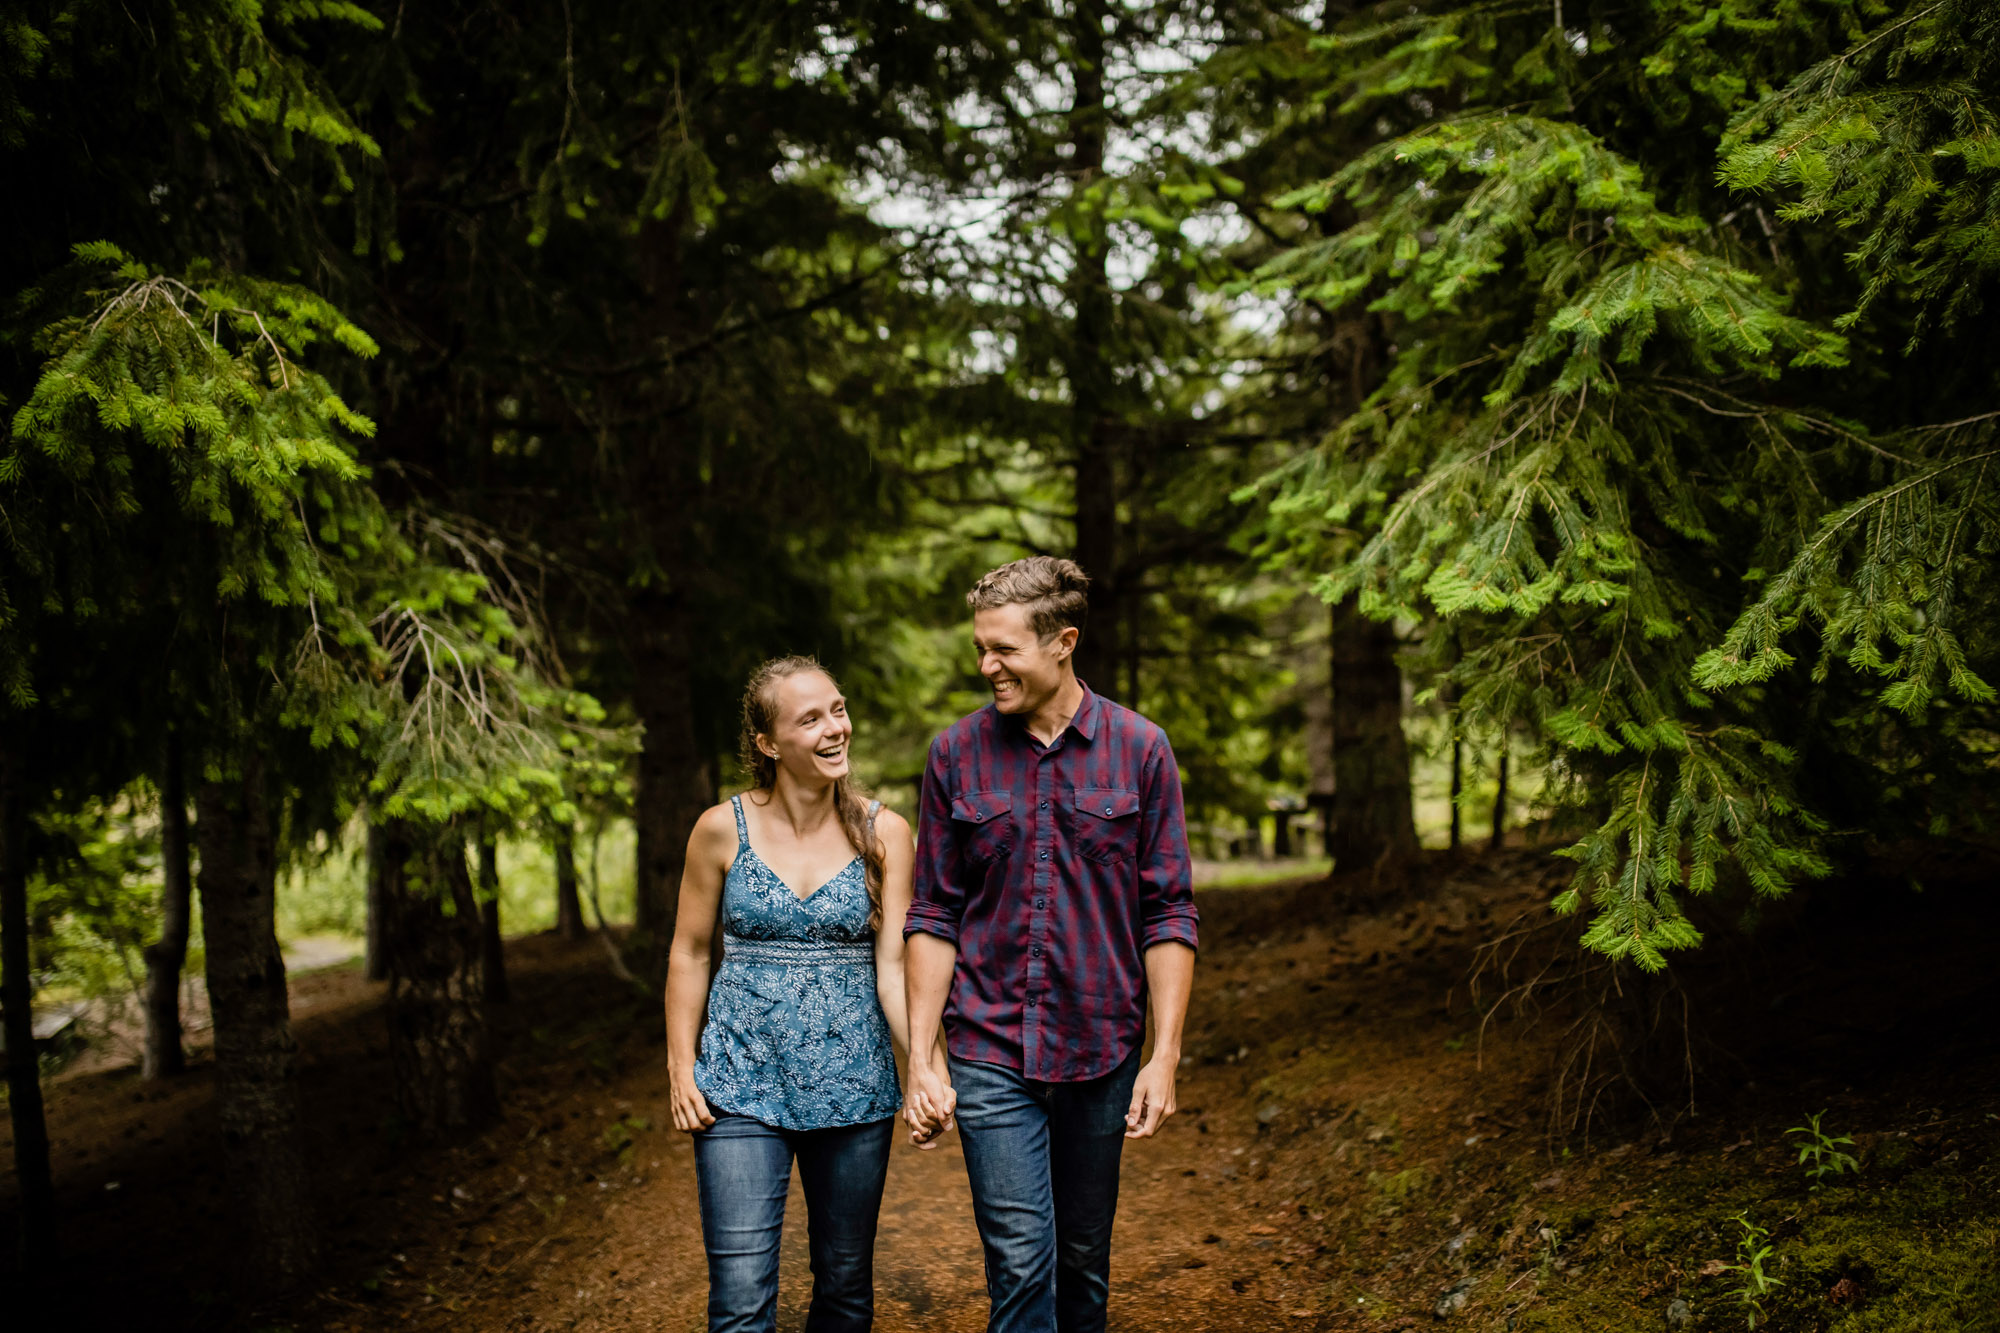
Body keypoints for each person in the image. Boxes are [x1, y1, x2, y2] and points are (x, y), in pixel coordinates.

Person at [903, 556, 1199, 1333]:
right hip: (990, 1046)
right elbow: (933, 912)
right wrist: (923, 1055)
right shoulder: (953, 755)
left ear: (1063, 641)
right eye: (980, 648)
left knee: (1081, 1266)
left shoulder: (1141, 749)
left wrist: (1163, 1054)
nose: (986, 665)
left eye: (1003, 649)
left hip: (1101, 1047)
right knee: (1022, 1265)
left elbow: (1168, 912)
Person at [666, 655, 950, 1333]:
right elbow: (690, 951)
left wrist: (924, 1068)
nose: (836, 728)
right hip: (739, 1085)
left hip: (854, 1091)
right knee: (739, 1301)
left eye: (839, 709)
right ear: (768, 743)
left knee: (845, 1289)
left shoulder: (885, 832)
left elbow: (893, 966)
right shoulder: (718, 828)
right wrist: (682, 1066)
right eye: (812, 717)